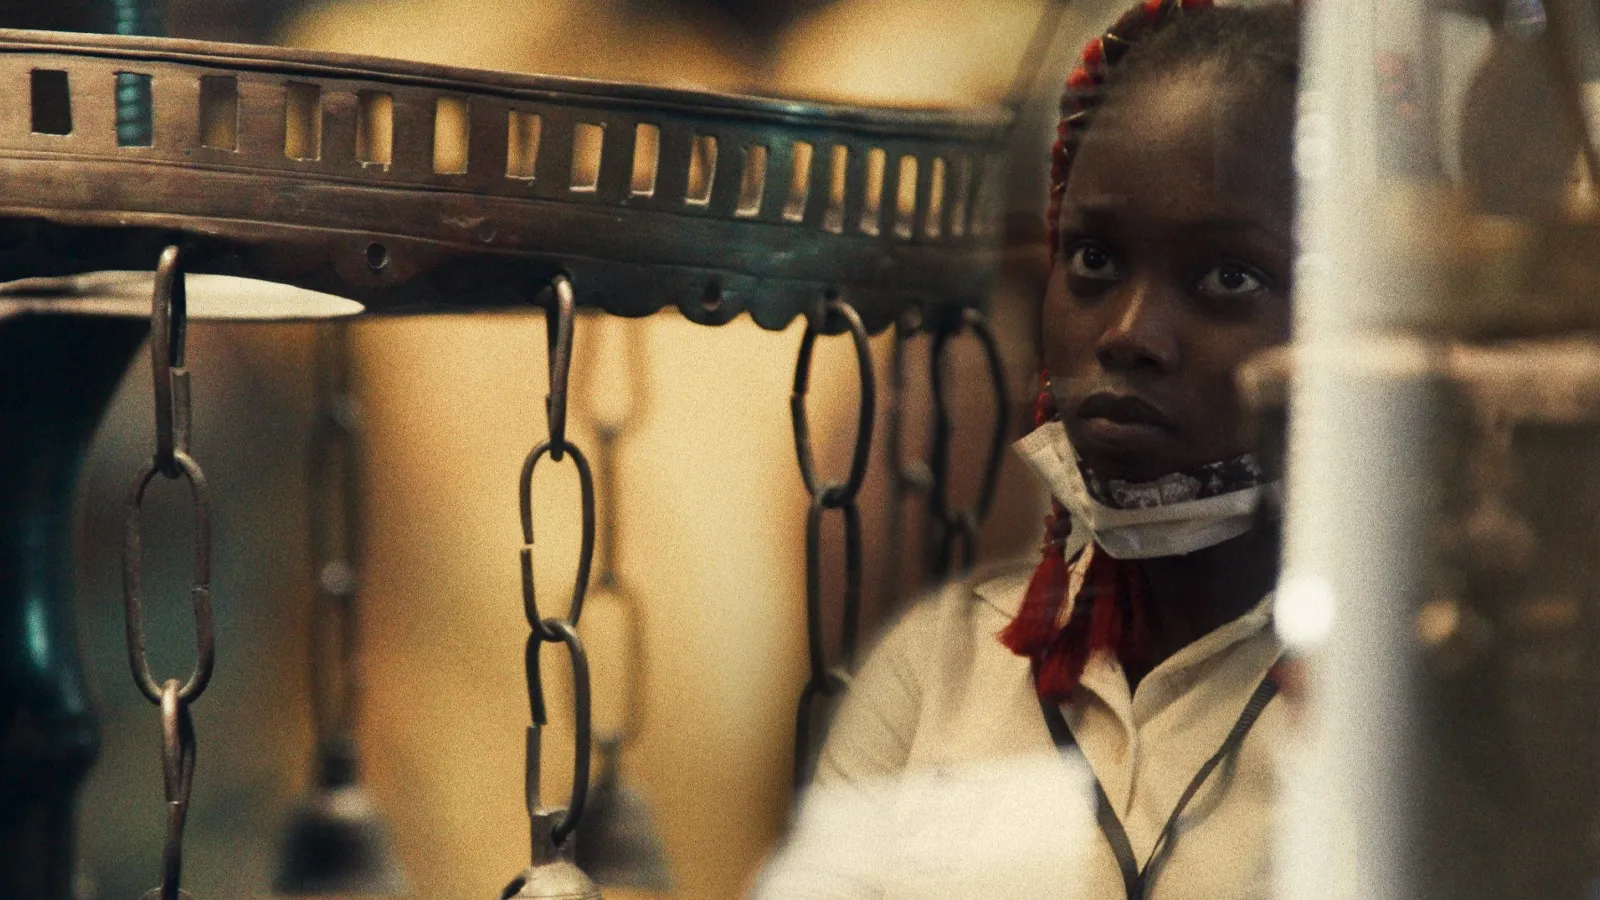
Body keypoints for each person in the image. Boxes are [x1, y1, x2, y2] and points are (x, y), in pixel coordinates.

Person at [753, 2, 1299, 897]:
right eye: (1091, 262)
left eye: (1225, 276)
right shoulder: (937, 671)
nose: (1127, 335)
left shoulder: (1406, 718)